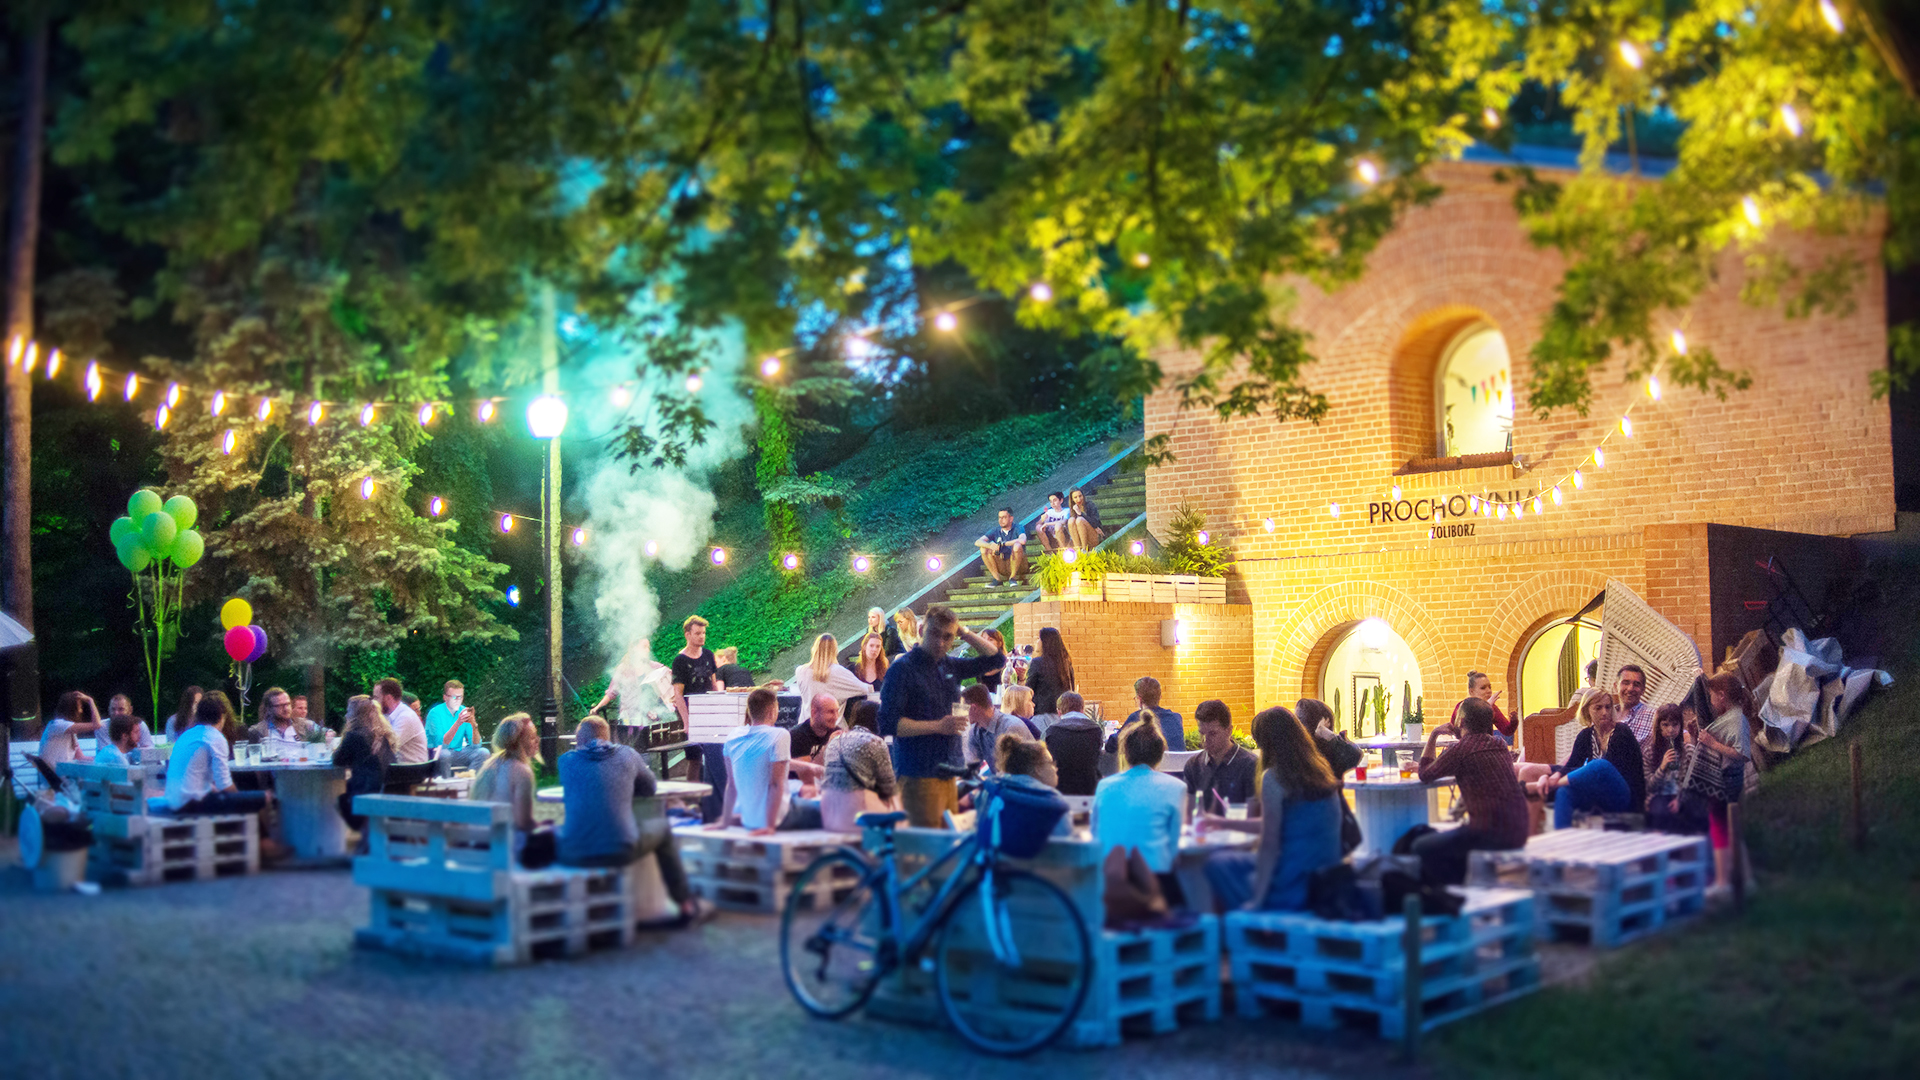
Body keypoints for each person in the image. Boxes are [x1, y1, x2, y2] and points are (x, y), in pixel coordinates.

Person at [557, 718, 710, 923]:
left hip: (572, 851)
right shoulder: (627, 755)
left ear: (579, 739)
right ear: (608, 736)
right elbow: (649, 788)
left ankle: (597, 903)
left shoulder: (565, 761)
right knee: (663, 829)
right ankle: (685, 904)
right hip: (619, 849)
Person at [1200, 706, 1344, 913]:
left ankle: (1256, 925)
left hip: (1296, 881)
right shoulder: (1320, 771)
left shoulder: (1275, 778)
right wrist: (1223, 822)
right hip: (1326, 877)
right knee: (1227, 862)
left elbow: (1269, 845)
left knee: (1216, 864)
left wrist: (1258, 900)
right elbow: (1280, 824)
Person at [876, 604, 1007, 827]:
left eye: (948, 637)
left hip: (948, 774)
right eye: (935, 634)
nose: (941, 643)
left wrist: (963, 631)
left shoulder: (949, 665)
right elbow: (888, 724)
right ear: (920, 630)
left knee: (946, 851)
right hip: (917, 774)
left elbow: (997, 660)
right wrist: (938, 726)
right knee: (924, 852)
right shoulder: (902, 669)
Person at [1413, 697, 1531, 886]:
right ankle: (1463, 886)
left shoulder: (1461, 750)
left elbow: (1425, 774)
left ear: (1460, 722)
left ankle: (1450, 896)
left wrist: (1434, 734)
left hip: (1489, 834)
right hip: (1518, 829)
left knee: (1421, 846)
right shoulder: (1500, 744)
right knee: (1451, 840)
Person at [1094, 720, 1189, 926]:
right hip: (1156, 882)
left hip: (1109, 885)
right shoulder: (1176, 787)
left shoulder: (1104, 786)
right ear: (1160, 754)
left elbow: (1096, 837)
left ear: (1125, 753)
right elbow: (1173, 850)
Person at [1535, 691, 1645, 829]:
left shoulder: (1622, 732)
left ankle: (1553, 785)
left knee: (1600, 765)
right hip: (1596, 795)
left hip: (1622, 795)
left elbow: (1610, 770)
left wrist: (1555, 781)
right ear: (1587, 711)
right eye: (1598, 708)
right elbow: (1572, 764)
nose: (1604, 712)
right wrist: (1557, 774)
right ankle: (1562, 840)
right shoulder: (1585, 736)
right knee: (1565, 792)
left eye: (1608, 707)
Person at [468, 713, 554, 868]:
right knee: (554, 835)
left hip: (479, 844)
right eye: (533, 737)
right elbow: (523, 822)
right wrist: (544, 827)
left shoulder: (491, 764)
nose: (538, 740)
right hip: (503, 850)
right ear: (521, 741)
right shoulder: (522, 771)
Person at [166, 692, 270, 816]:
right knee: (265, 797)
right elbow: (224, 784)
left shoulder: (187, 735)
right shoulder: (215, 737)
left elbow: (193, 777)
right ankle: (264, 835)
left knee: (246, 798)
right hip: (193, 805)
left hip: (173, 801)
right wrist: (240, 798)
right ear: (222, 715)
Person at [1701, 672, 1758, 889]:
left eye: (1713, 696)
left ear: (1722, 696)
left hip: (1727, 782)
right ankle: (1741, 878)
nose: (1711, 701)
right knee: (1725, 829)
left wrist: (1711, 743)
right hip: (1723, 781)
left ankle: (1725, 881)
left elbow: (1742, 753)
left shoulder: (1737, 719)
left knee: (1724, 829)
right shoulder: (1732, 717)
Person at [664, 615, 725, 816]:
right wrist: (687, 721)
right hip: (690, 711)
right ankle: (693, 802)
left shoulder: (708, 655)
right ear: (687, 634)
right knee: (694, 758)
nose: (702, 637)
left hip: (710, 710)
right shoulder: (680, 660)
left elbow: (714, 683)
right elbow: (678, 695)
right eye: (697, 633)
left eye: (704, 633)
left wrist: (720, 706)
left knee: (716, 753)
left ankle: (714, 796)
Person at [711, 687, 792, 834]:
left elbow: (731, 784)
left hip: (749, 820)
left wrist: (725, 821)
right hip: (779, 818)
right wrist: (770, 827)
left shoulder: (732, 737)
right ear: (772, 711)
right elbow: (775, 784)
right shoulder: (780, 735)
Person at [819, 701, 901, 832]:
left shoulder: (834, 741)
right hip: (857, 817)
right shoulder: (875, 742)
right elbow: (888, 789)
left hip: (828, 814)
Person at [332, 695, 395, 837]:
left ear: (355, 715)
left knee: (340, 799)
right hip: (388, 793)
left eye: (348, 711)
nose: (346, 714)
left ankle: (366, 835)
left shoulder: (354, 736)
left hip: (366, 794)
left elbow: (337, 761)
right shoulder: (383, 736)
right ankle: (368, 836)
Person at [1182, 699, 1259, 814]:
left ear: (1228, 731)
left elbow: (1254, 816)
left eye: (1212, 733)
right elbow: (1188, 814)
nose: (1205, 740)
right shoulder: (1194, 765)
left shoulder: (1250, 765)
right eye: (1201, 733)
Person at [1644, 704, 1708, 835]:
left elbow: (1695, 782)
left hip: (1682, 795)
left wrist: (1680, 799)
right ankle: (1662, 851)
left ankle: (1696, 848)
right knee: (1659, 809)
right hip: (1660, 795)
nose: (1671, 729)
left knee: (1696, 810)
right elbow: (1649, 786)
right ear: (1658, 727)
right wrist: (1662, 767)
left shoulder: (1688, 751)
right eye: (1665, 725)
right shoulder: (1649, 752)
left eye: (1675, 724)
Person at [790, 633, 875, 709]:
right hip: (832, 723)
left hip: (806, 723)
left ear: (814, 649)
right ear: (835, 650)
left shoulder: (800, 671)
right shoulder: (839, 671)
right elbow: (865, 689)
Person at [1042, 692, 1104, 796]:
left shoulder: (1050, 732)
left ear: (1059, 712)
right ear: (1082, 709)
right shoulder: (1096, 730)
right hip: (1089, 788)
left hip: (1059, 789)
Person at [962, 683, 1031, 771]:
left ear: (974, 708)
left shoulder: (1011, 728)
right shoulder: (975, 731)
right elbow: (971, 767)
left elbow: (1019, 772)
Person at [424, 680, 489, 773]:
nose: (458, 700)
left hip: (458, 752)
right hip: (436, 753)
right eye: (454, 697)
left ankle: (470, 782)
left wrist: (474, 725)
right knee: (445, 755)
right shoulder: (435, 713)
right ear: (445, 697)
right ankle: (446, 785)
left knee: (483, 752)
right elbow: (441, 745)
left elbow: (476, 745)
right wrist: (458, 723)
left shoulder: (463, 710)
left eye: (460, 697)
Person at [1025, 626, 1076, 723]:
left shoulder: (1037, 663)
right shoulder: (1066, 664)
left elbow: (1028, 690)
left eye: (1039, 638)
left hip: (1041, 714)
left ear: (1045, 642)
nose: (1037, 642)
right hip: (1063, 714)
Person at [38, 691, 102, 766]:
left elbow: (80, 757)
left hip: (64, 772)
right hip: (53, 775)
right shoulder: (57, 725)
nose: (81, 711)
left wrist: (104, 760)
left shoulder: (70, 731)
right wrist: (90, 700)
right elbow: (97, 725)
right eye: (80, 707)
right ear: (72, 709)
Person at [375, 678, 429, 765]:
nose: (374, 702)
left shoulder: (406, 717)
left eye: (376, 697)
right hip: (400, 770)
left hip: (412, 773)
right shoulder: (388, 716)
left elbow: (388, 747)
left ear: (388, 698)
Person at [1450, 671, 1515, 742]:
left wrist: (1514, 721)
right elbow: (1456, 731)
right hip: (1466, 749)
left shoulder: (1492, 707)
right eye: (1483, 688)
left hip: (1485, 748)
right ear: (1471, 691)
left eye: (1490, 687)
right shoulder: (1461, 706)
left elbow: (1507, 731)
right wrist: (1485, 708)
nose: (1489, 691)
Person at [975, 507, 1030, 586]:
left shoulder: (1018, 527)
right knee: (983, 548)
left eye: (1004, 517)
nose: (1001, 520)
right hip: (1002, 565)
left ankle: (1013, 578)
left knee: (1017, 546)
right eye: (999, 518)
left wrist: (1004, 544)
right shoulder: (995, 530)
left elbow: (1023, 540)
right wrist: (990, 545)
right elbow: (977, 542)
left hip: (1019, 565)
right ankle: (997, 579)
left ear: (1011, 519)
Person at [1125, 676, 1184, 749]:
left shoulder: (1135, 718)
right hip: (1178, 760)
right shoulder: (1176, 718)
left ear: (1139, 699)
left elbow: (1112, 745)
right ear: (1160, 697)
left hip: (1150, 760)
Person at [249, 686, 319, 747]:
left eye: (288, 704)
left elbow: (325, 734)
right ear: (269, 709)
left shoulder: (306, 725)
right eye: (280, 706)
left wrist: (328, 735)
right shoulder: (257, 731)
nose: (286, 709)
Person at [788, 691, 844, 765]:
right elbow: (807, 772)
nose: (836, 717)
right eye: (830, 712)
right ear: (814, 713)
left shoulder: (837, 732)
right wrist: (828, 747)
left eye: (837, 711)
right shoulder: (796, 736)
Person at [1615, 664, 1654, 747]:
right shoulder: (1606, 714)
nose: (1630, 689)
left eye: (1636, 684)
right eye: (1625, 683)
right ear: (1616, 686)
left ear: (1643, 690)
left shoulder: (1654, 716)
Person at [1065, 487, 1104, 551]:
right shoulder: (1072, 509)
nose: (1079, 499)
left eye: (1080, 496)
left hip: (1095, 535)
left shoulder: (1090, 505)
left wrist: (1080, 514)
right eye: (1075, 497)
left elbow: (1096, 523)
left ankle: (1084, 550)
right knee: (1071, 520)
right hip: (1080, 538)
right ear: (1072, 499)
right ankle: (1077, 549)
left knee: (1079, 520)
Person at [977, 629, 1009, 695]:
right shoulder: (981, 659)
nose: (986, 642)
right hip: (985, 697)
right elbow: (986, 672)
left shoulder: (1004, 658)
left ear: (999, 643)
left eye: (990, 639)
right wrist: (1002, 665)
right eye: (983, 639)